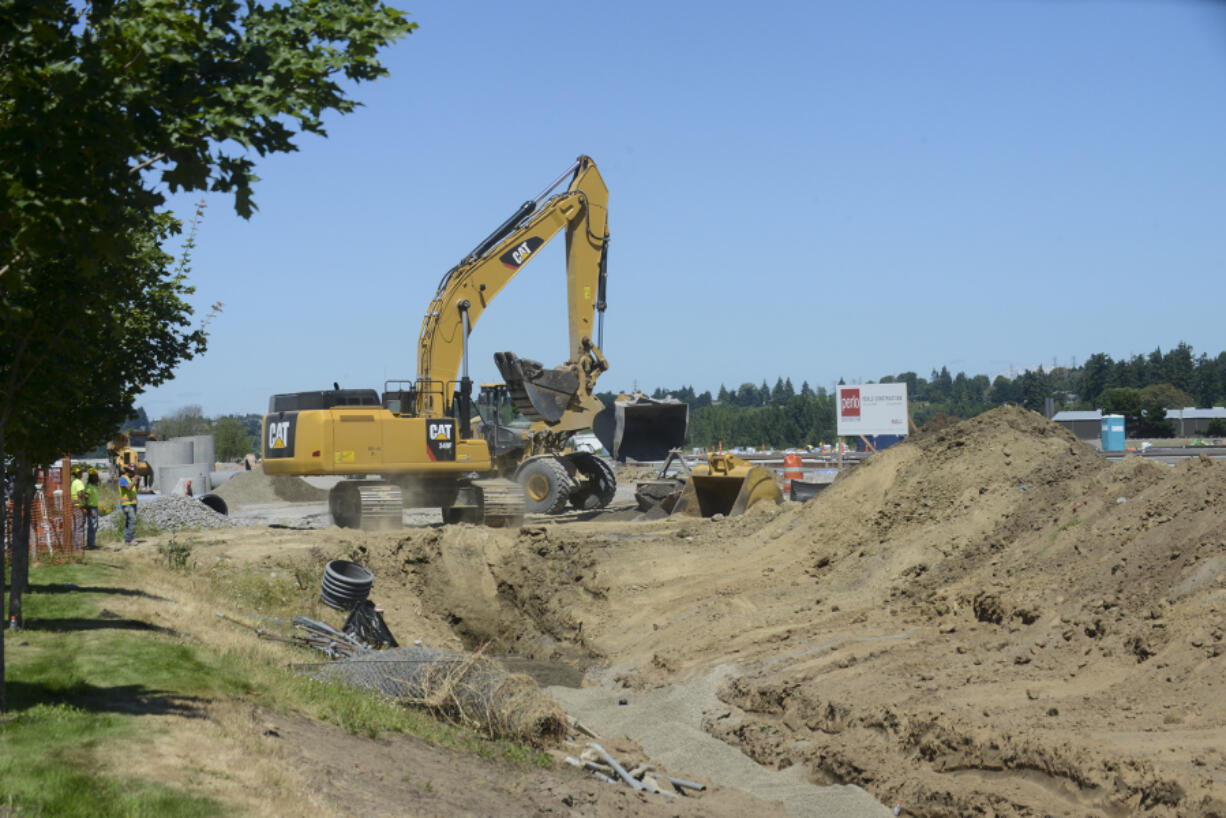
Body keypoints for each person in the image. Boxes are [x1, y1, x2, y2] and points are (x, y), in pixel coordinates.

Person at [119, 463, 139, 544]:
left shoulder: (130, 479)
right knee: (132, 520)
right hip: (127, 504)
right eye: (133, 472)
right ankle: (130, 539)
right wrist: (134, 480)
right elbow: (128, 489)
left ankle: (127, 539)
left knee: (129, 521)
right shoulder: (123, 479)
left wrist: (138, 481)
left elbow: (135, 490)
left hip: (133, 503)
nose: (134, 474)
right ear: (129, 471)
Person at [83, 468, 101, 549]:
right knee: (92, 526)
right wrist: (88, 508)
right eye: (95, 476)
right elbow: (86, 497)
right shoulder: (89, 487)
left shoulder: (94, 486)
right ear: (91, 477)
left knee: (94, 526)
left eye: (97, 476)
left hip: (95, 508)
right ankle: (90, 544)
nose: (97, 477)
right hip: (91, 508)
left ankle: (92, 543)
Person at [70, 466, 86, 547]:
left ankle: (75, 545)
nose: (82, 474)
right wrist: (82, 505)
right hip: (78, 507)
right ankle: (79, 546)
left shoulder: (73, 482)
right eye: (80, 472)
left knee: (75, 526)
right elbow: (79, 494)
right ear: (78, 474)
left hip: (73, 506)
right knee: (79, 526)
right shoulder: (79, 482)